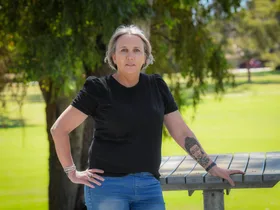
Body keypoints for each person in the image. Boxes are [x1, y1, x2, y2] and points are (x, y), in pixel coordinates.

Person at [50, 25, 244, 210]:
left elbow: (181, 132)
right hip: (107, 187)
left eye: (136, 50)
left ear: (145, 57)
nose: (130, 56)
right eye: (123, 50)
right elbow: (59, 129)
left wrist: (211, 167)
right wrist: (72, 172)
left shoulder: (156, 86)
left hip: (148, 187)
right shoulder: (98, 89)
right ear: (113, 56)